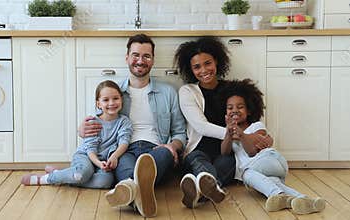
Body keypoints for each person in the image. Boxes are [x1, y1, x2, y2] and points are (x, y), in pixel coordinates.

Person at [79, 34, 186, 217]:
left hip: (156, 149)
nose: (140, 61)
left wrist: (172, 146)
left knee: (163, 155)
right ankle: (142, 194)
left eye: (146, 56)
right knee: (126, 169)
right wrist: (82, 130)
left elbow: (179, 132)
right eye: (135, 55)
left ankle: (130, 191)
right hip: (124, 150)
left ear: (152, 60)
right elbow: (98, 122)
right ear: (127, 58)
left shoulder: (168, 92)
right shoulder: (114, 92)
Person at [174, 36, 272, 208]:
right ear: (190, 70)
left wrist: (261, 136)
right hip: (198, 150)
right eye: (197, 67)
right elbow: (200, 126)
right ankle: (212, 188)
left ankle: (200, 192)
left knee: (227, 164)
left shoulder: (231, 89)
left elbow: (248, 119)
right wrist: (239, 135)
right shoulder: (187, 91)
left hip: (226, 151)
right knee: (199, 162)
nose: (204, 70)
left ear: (217, 62)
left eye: (207, 63)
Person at [220, 78, 326, 214]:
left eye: (240, 107)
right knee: (273, 182)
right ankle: (304, 200)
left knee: (247, 174)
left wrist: (241, 135)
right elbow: (224, 152)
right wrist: (228, 134)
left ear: (249, 111)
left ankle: (276, 195)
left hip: (270, 160)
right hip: (265, 171)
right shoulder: (229, 131)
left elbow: (252, 151)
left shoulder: (256, 126)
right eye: (230, 108)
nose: (235, 110)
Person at [21, 80, 132, 189]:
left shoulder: (124, 121)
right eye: (106, 100)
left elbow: (124, 141)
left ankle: (63, 174)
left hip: (104, 161)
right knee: (82, 173)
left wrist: (114, 156)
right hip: (87, 156)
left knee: (106, 182)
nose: (111, 103)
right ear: (98, 104)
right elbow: (90, 149)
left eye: (115, 98)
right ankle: (47, 179)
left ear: (121, 100)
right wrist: (98, 163)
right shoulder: (93, 122)